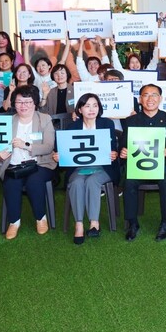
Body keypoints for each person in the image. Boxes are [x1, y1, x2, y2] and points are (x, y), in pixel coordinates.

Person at [120, 84, 166, 242]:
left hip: (165, 164)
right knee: (129, 181)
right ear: (140, 99)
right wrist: (124, 151)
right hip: (139, 164)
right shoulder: (131, 121)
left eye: (154, 95)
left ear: (160, 98)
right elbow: (122, 145)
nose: (150, 99)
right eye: (146, 95)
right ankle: (132, 223)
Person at [55, 94, 119, 245]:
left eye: (95, 105)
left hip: (103, 167)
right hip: (78, 167)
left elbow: (114, 148)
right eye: (87, 106)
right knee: (76, 183)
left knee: (92, 181)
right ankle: (78, 224)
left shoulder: (107, 124)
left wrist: (114, 153)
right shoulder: (73, 127)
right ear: (80, 109)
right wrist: (58, 155)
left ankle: (94, 222)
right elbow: (62, 149)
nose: (92, 109)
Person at [0, 85, 56, 240]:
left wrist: (26, 145)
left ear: (34, 103)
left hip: (40, 164)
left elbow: (49, 146)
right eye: (19, 102)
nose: (23, 106)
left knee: (34, 181)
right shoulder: (7, 121)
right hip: (14, 164)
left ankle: (40, 218)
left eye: (27, 102)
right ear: (14, 103)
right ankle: (14, 222)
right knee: (11, 182)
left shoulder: (44, 119)